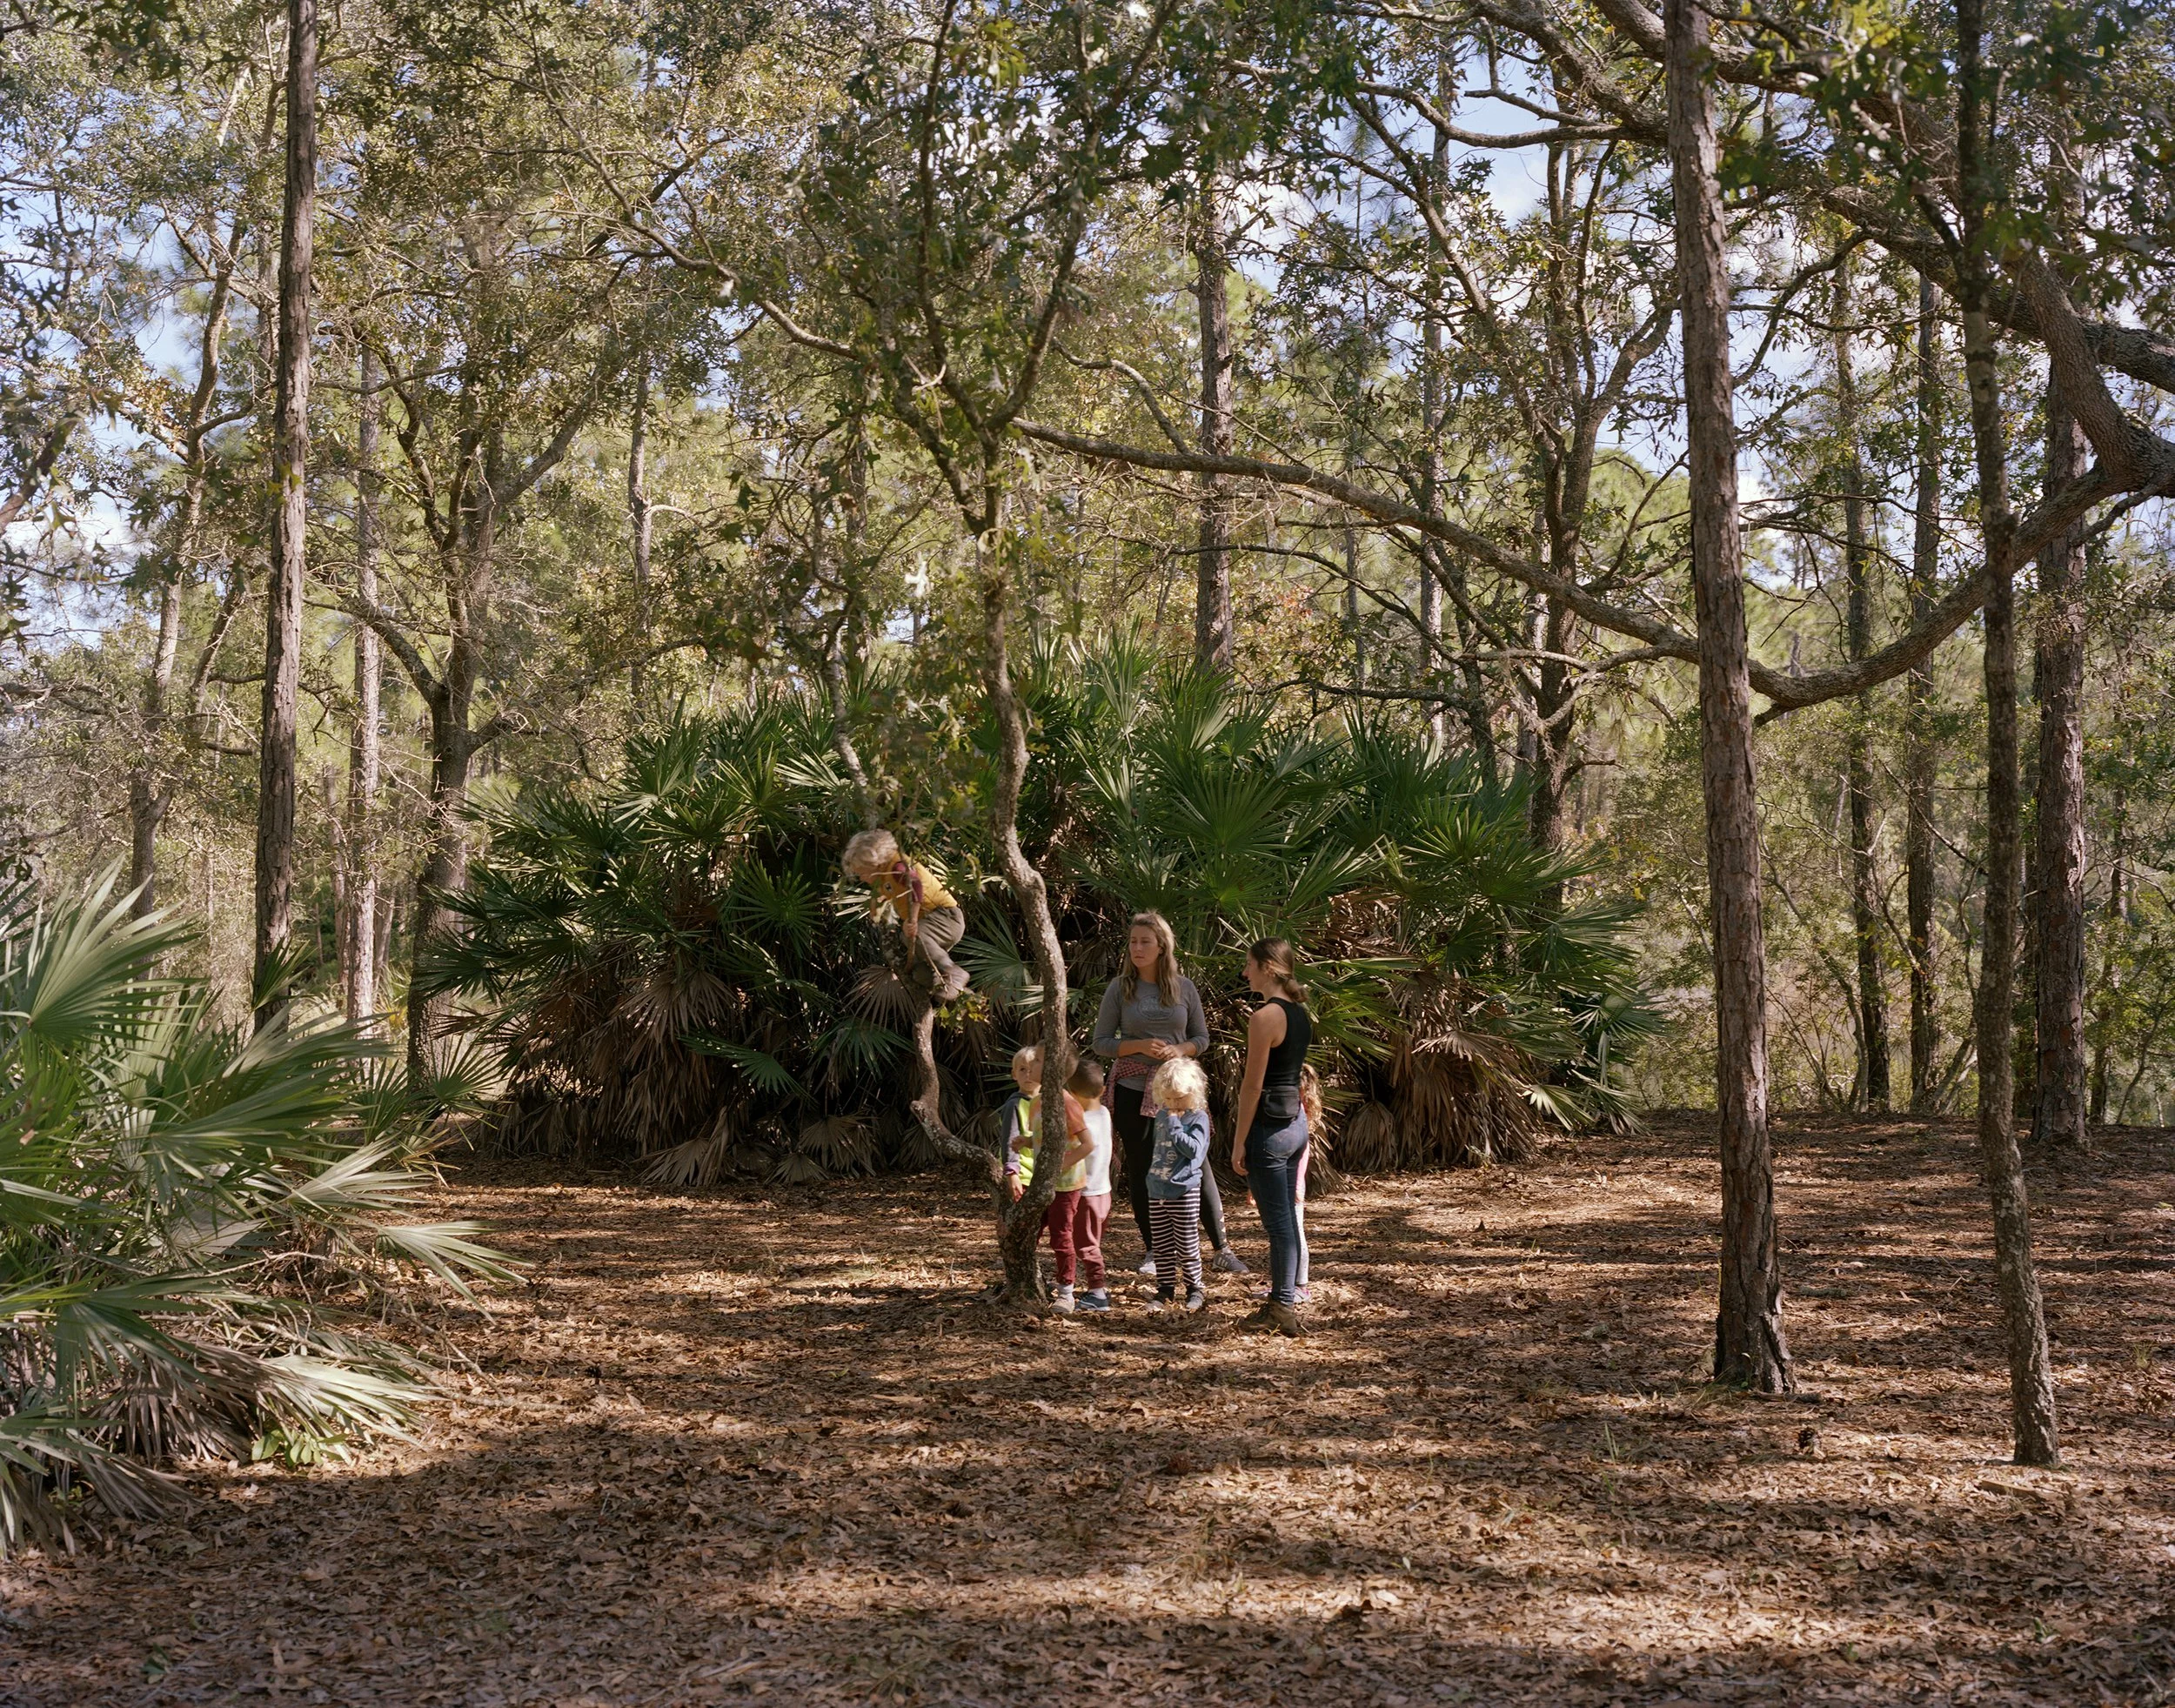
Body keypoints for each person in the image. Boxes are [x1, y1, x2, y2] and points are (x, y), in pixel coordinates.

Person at [1092, 912, 1248, 1281]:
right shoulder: (1120, 988)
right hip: (1133, 1089)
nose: (1137, 948)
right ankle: (1155, 1251)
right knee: (1145, 1168)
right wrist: (1139, 1046)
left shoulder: (1184, 988)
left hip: (1181, 1090)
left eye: (1145, 941)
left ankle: (1221, 1249)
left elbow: (1202, 1039)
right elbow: (1102, 1043)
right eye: (1132, 942)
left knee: (1198, 1165)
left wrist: (1181, 1051)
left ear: (1162, 946)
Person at [1231, 937, 1312, 1337]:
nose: (1245, 973)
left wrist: (1238, 1139)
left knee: (1278, 1223)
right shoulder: (1299, 1012)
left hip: (1270, 1129)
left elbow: (1251, 1086)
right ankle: (1285, 1297)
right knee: (1288, 1221)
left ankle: (1282, 1305)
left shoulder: (1265, 1017)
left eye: (1249, 965)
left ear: (1267, 967)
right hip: (1297, 1124)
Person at [1000, 1046, 1095, 1312]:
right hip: (1043, 1183)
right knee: (1031, 1230)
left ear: (1055, 1069)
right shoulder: (1036, 1102)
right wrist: (1027, 1141)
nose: (1031, 1066)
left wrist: (1060, 1165)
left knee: (1061, 1236)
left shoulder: (1067, 1103)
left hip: (1065, 1186)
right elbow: (1048, 1137)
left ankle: (1067, 1292)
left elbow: (1087, 1144)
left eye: (1039, 1061)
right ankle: (1028, 1282)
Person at [841, 827, 969, 1001]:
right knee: (919, 973)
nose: (862, 878)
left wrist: (912, 919)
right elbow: (889, 893)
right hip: (931, 924)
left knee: (911, 937)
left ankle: (953, 972)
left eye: (862, 872)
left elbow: (915, 886)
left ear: (874, 862)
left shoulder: (898, 866)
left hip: (945, 917)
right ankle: (949, 989)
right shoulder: (884, 876)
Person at [1144, 1057, 1213, 1313]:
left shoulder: (1198, 1118)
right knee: (1161, 1244)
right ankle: (1165, 1288)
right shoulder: (1162, 1115)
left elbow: (1194, 1151)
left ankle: (1195, 1288)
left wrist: (1175, 1125)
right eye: (1168, 1099)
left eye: (1179, 1098)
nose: (1173, 1104)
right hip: (1157, 1187)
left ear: (1192, 1093)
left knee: (1186, 1243)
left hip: (1184, 1189)